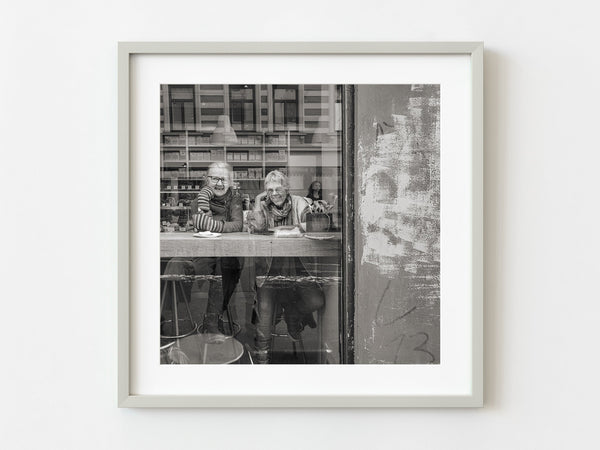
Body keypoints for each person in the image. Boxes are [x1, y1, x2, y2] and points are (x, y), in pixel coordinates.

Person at [249, 170, 325, 364]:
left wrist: (312, 212)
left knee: (316, 300)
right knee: (264, 317)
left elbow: (310, 221)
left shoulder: (299, 202)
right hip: (268, 272)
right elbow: (257, 227)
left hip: (298, 269)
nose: (274, 193)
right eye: (269, 190)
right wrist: (258, 201)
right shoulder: (263, 206)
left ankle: (293, 312)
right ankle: (261, 359)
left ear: (287, 188)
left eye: (278, 188)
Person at [162, 161, 243, 336]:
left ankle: (212, 319)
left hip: (226, 255)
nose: (220, 184)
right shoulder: (198, 201)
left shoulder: (235, 199)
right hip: (203, 254)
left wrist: (211, 223)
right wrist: (218, 224)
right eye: (215, 179)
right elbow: (201, 226)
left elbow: (237, 225)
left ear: (230, 181)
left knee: (227, 266)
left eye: (224, 179)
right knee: (176, 265)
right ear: (207, 179)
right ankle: (165, 315)